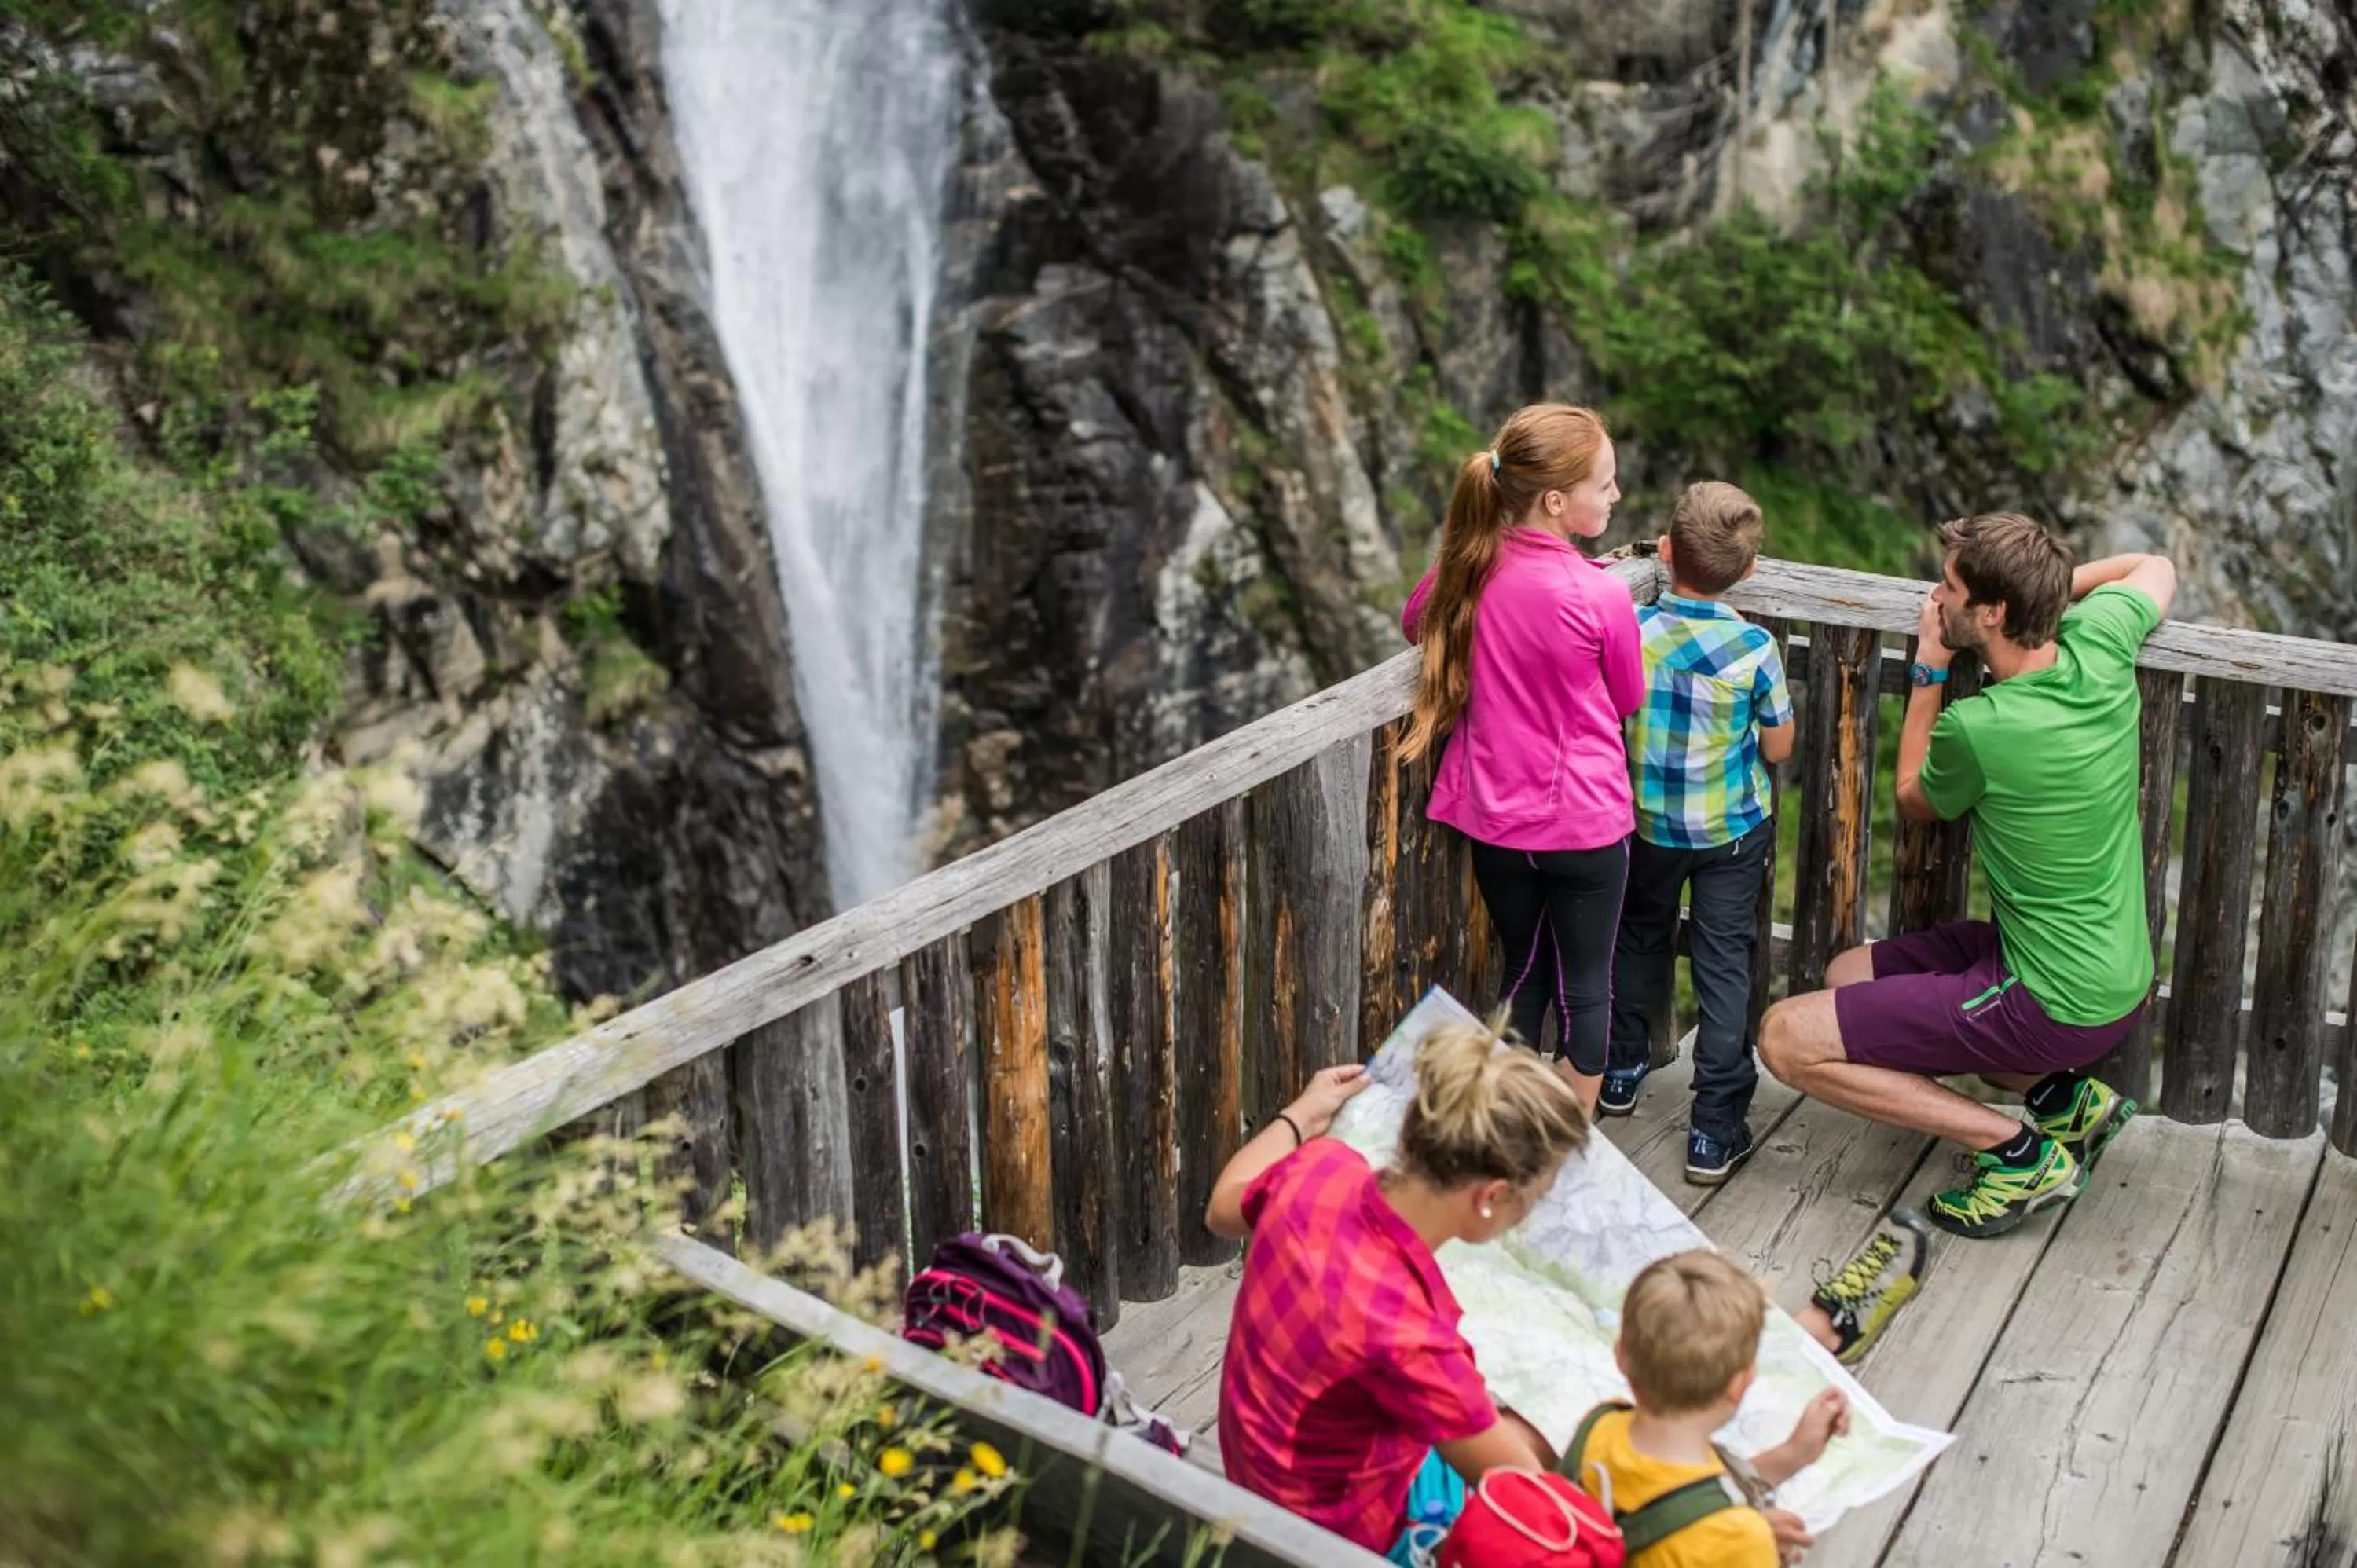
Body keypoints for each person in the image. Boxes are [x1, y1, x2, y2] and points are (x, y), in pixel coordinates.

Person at [1758, 515, 2176, 1238]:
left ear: (1991, 612)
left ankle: (2018, 1154)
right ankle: (2065, 1103)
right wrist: (2042, 595)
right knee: (1847, 974)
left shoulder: (1981, 726)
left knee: (1784, 1038)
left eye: (1951, 588)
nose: (1937, 597)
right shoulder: (2102, 647)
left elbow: (1915, 797)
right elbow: (2155, 566)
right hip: (2114, 975)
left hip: (2049, 1001)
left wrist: (1928, 673)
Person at [1205, 1018, 1586, 1563]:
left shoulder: (1319, 1168)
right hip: (1332, 1537)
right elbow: (1521, 1483)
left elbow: (1222, 1208)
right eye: (1532, 1201)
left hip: (1262, 1475)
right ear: (1491, 1196)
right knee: (1556, 1435)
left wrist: (1303, 1114)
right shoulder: (1409, 1337)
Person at [1402, 405, 1643, 1111]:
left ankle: (1510, 1124)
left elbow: (1416, 621)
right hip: (1586, 823)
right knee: (1588, 984)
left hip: (1495, 822)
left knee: (1523, 970)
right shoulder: (1598, 592)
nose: (1617, 496)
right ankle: (1573, 1136)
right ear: (1558, 501)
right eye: (1607, 483)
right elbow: (1626, 695)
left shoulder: (1469, 567)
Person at [1599, 482, 1794, 1185]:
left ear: (1668, 551)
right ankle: (1713, 1130)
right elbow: (1777, 749)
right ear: (1747, 571)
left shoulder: (1632, 628)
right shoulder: (1753, 646)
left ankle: (1621, 1070)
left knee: (1639, 937)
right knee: (1722, 965)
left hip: (1647, 825)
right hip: (1730, 834)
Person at [1563, 1250, 1849, 1568]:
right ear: (1740, 1384)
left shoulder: (1600, 1425)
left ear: (1621, 1356)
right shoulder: (1738, 1540)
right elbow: (1688, 1506)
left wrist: (1793, 1454)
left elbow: (1677, 1494)